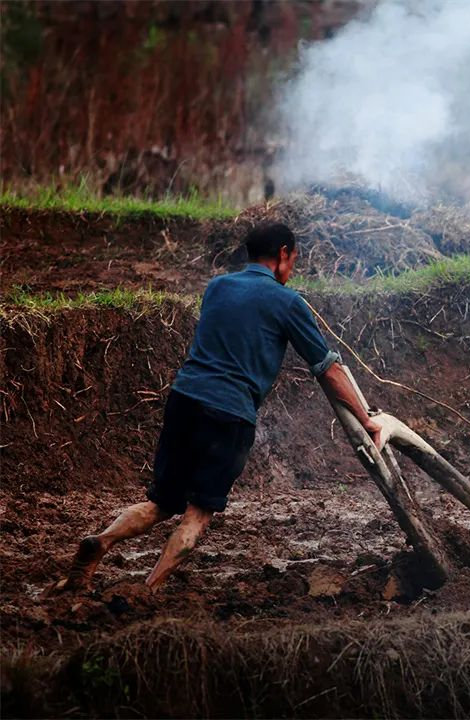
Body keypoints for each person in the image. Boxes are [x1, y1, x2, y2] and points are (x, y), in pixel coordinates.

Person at [53, 223, 383, 592]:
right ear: (284, 255)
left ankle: (102, 540)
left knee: (161, 503)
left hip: (185, 399)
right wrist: (366, 418)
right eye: (293, 260)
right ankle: (148, 590)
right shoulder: (288, 302)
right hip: (230, 413)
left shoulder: (217, 288)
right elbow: (328, 370)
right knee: (197, 515)